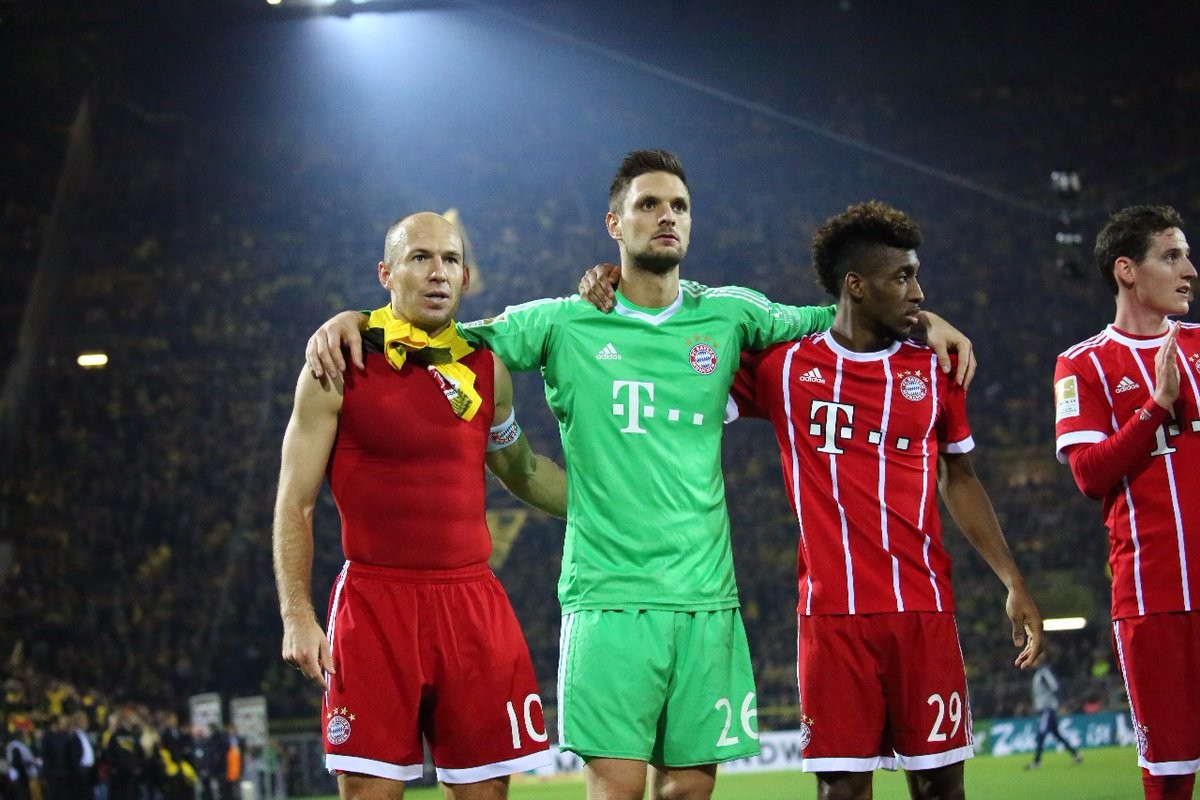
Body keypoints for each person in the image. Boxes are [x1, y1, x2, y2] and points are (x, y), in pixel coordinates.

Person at [304, 151, 975, 800]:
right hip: (607, 599)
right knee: (617, 789)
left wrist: (926, 320)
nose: (666, 216)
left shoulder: (733, 314)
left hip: (705, 599)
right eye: (648, 204)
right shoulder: (563, 322)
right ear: (614, 224)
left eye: (678, 205)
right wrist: (358, 321)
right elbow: (445, 333)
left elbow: (844, 320)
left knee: (688, 789)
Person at [725, 200, 1041, 800]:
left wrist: (1012, 580)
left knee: (940, 788)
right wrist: (619, 281)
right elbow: (690, 340)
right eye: (902, 278)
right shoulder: (784, 368)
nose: (918, 292)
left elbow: (960, 477)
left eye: (915, 276)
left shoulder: (937, 368)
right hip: (831, 617)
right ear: (856, 285)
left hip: (924, 611)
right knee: (841, 791)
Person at [272, 212, 568, 800]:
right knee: (371, 793)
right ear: (386, 273)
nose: (438, 273)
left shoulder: (486, 368)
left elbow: (524, 471)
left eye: (451, 260)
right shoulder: (337, 365)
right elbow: (293, 502)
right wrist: (297, 615)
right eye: (420, 258)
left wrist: (618, 505)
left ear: (465, 277)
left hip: (473, 604)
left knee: (486, 793)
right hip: (375, 605)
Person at [1053, 204, 1199, 800]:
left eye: (1186, 255)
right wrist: (1155, 406)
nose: (1189, 270)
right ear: (1127, 270)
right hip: (1153, 599)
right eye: (1172, 256)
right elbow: (1089, 474)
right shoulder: (1081, 364)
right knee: (1170, 777)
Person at [1026, 651, 1082, 769]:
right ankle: (1076, 754)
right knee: (1056, 734)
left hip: (1048, 708)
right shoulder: (1039, 673)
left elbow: (1055, 687)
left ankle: (1037, 761)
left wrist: (1060, 704)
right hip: (1044, 709)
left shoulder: (1044, 673)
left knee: (1041, 733)